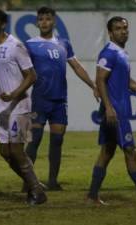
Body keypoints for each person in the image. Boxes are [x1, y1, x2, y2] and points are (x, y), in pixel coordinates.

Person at [86, 16, 136, 206]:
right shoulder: (109, 53)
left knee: (107, 151)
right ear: (110, 32)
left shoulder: (122, 53)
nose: (123, 31)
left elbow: (127, 82)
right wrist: (109, 107)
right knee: (131, 151)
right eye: (118, 28)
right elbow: (100, 80)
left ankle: (91, 196)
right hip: (115, 112)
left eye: (125, 28)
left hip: (115, 110)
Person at [0, 9, 46, 205]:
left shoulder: (16, 46)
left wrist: (14, 93)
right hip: (2, 108)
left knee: (16, 151)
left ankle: (37, 192)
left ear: (3, 24)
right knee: (5, 152)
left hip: (19, 105)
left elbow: (32, 75)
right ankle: (35, 185)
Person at [24, 7, 98, 191]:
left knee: (57, 141)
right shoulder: (29, 44)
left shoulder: (64, 43)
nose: (44, 22)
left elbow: (77, 67)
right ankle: (27, 183)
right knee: (35, 140)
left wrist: (93, 85)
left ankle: (53, 181)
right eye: (41, 19)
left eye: (47, 19)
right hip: (39, 100)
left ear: (54, 21)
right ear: (37, 22)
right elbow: (22, 70)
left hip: (59, 101)